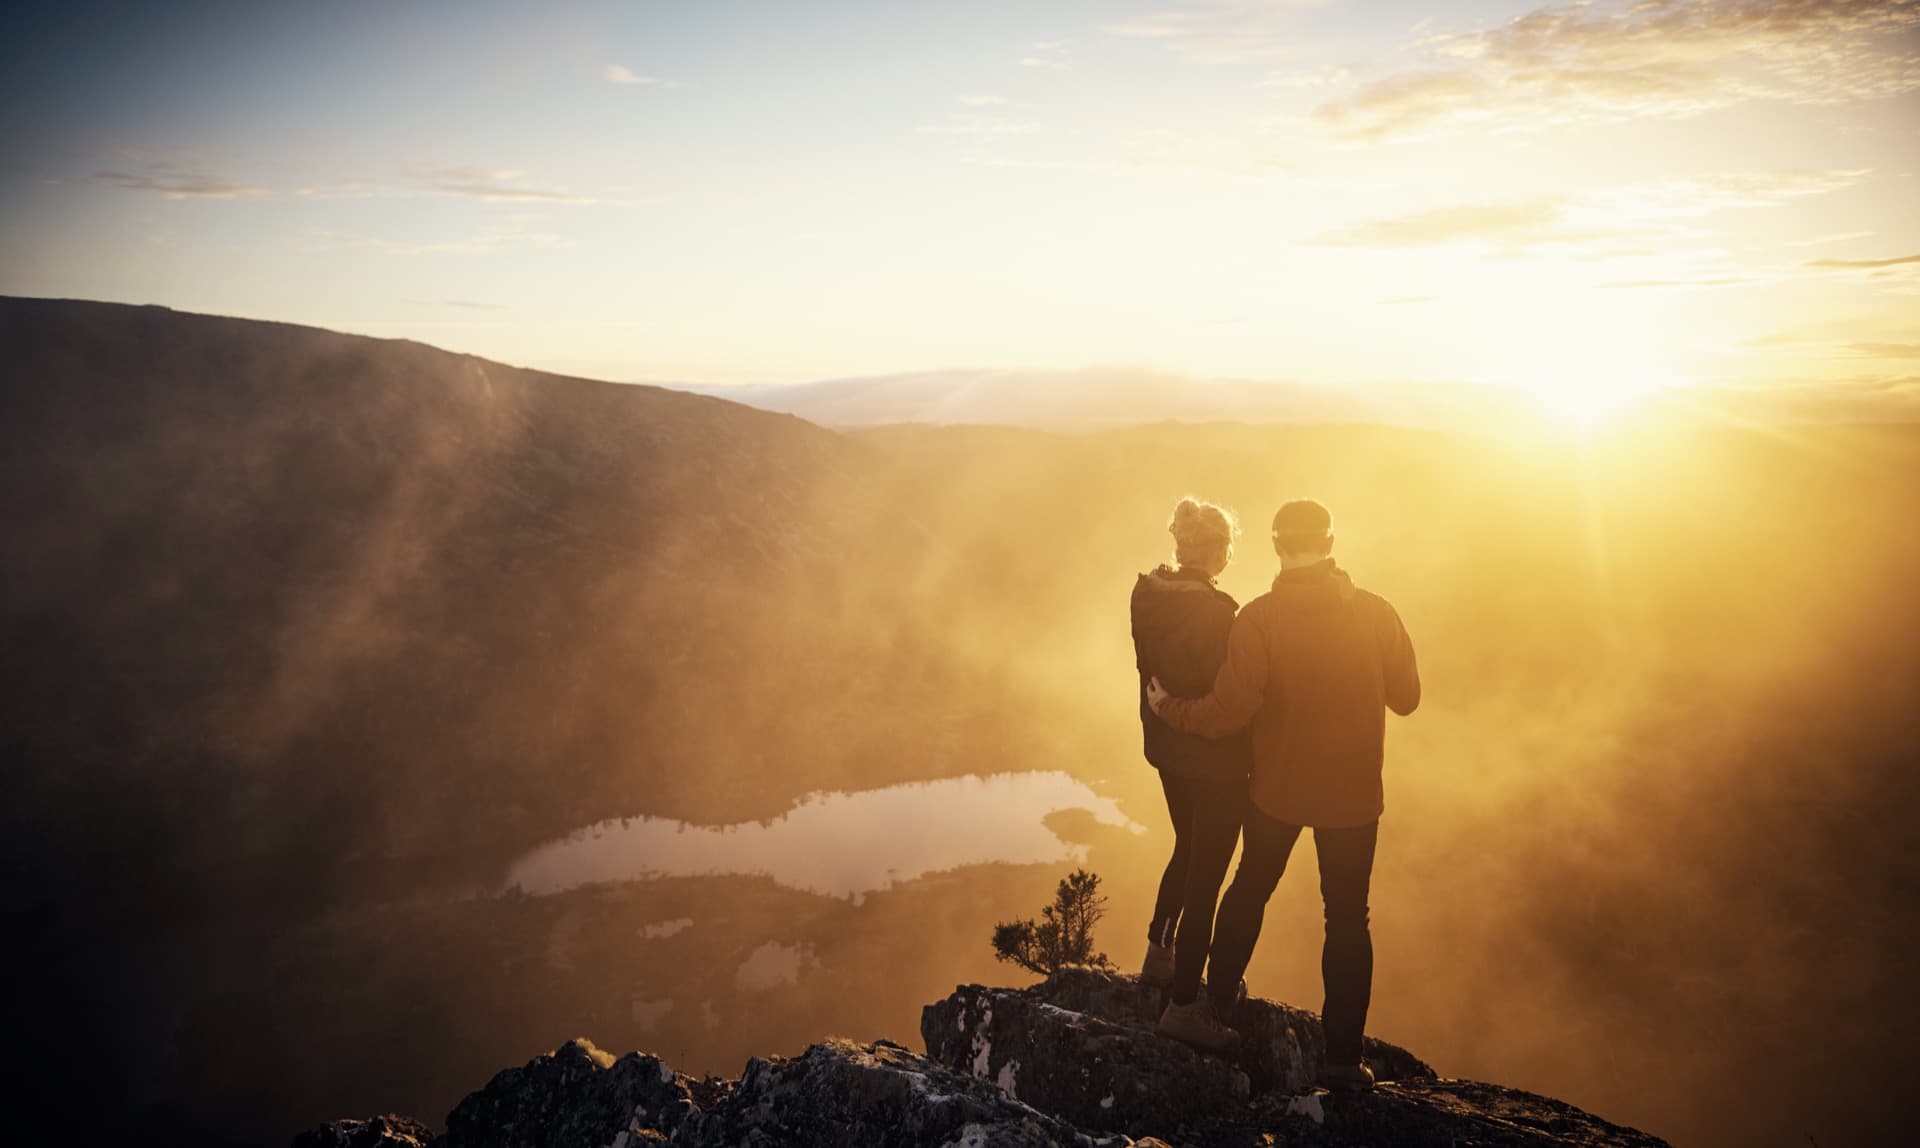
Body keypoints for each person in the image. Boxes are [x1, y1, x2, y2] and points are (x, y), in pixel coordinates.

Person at [1147, 499, 1419, 1089]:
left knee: (1249, 889)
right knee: (1348, 919)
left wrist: (1171, 709)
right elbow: (1408, 696)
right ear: (1330, 539)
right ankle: (1344, 1061)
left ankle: (1214, 1008)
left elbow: (1227, 712)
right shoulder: (1376, 613)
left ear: (1275, 546)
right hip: (1353, 798)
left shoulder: (1260, 619)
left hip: (1276, 792)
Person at [1130, 497, 1253, 1051]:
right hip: (1215, 760)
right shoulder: (1219, 614)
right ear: (1219, 551)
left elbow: (1156, 677)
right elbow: (1224, 696)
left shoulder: (1147, 595)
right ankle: (1184, 1004)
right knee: (1208, 871)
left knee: (1187, 845)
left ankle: (1160, 951)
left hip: (1167, 752)